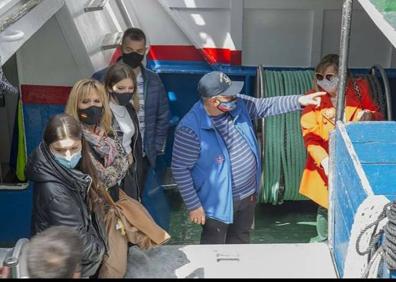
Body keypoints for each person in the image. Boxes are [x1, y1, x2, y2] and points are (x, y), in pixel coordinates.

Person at [171, 71, 325, 244]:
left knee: (241, 241)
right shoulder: (190, 129)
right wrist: (194, 206)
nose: (236, 97)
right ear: (214, 101)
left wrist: (299, 101)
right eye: (230, 95)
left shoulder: (238, 104)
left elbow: (264, 105)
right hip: (217, 204)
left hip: (247, 197)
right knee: (214, 249)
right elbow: (180, 169)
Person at [299, 54, 384, 243]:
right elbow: (311, 137)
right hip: (326, 162)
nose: (324, 82)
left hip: (357, 159)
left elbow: (378, 115)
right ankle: (322, 241)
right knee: (326, 205)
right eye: (319, 77)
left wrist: (369, 116)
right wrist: (325, 161)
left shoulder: (359, 89)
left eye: (329, 77)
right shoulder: (311, 99)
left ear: (342, 76)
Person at [25, 114, 106, 278]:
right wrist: (100, 250)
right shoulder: (55, 191)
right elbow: (77, 239)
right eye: (60, 150)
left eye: (74, 148)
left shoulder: (62, 170)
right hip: (65, 266)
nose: (69, 156)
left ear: (82, 143)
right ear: (48, 147)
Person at [93, 28, 170, 191]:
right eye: (129, 50)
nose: (134, 54)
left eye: (139, 51)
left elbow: (162, 117)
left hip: (141, 156)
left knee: (135, 198)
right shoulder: (101, 77)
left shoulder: (154, 81)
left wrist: (154, 150)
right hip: (108, 158)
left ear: (145, 51)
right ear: (121, 48)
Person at [65, 79, 131, 201]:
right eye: (85, 102)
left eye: (97, 101)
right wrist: (119, 167)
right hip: (86, 208)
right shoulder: (71, 137)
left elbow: (126, 162)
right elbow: (101, 178)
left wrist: (120, 166)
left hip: (111, 203)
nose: (92, 106)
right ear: (76, 105)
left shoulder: (108, 133)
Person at [103, 63, 144, 200]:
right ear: (109, 87)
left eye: (130, 88)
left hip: (129, 171)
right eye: (121, 88)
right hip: (111, 173)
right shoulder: (103, 111)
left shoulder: (130, 109)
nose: (126, 92)